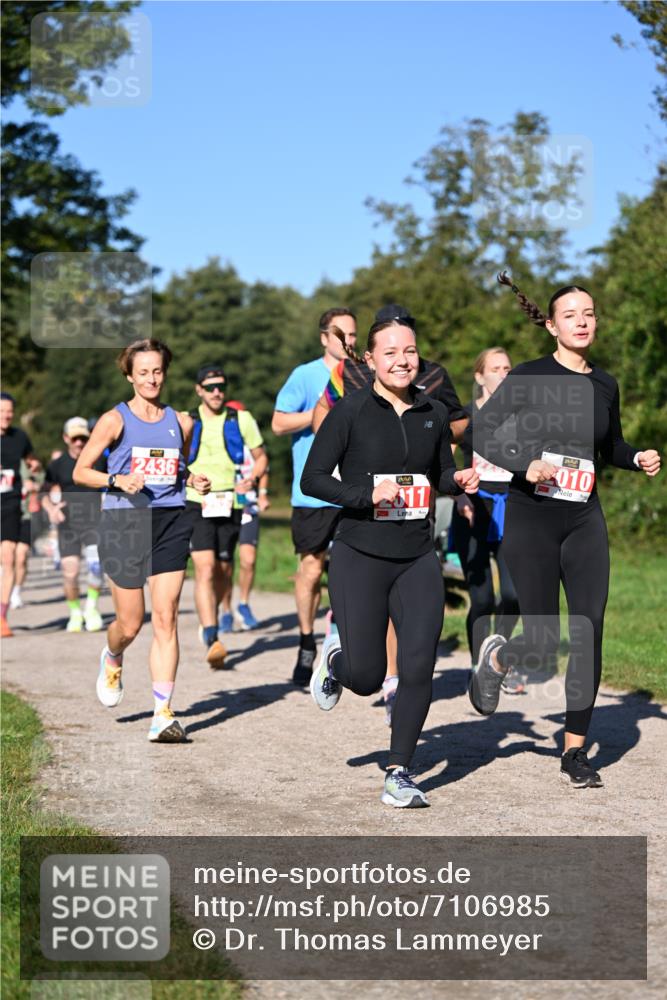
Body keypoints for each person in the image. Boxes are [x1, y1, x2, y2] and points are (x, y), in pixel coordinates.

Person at [469, 273, 661, 788]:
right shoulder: (529, 376)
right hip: (532, 517)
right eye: (571, 315)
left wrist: (634, 456)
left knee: (588, 629)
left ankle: (574, 752)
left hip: (583, 517)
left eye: (590, 313)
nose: (583, 321)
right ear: (552, 326)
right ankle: (501, 656)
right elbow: (484, 432)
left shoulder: (605, 383)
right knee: (543, 640)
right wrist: (523, 463)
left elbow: (609, 446)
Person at [301, 316, 479, 808]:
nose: (403, 360)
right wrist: (364, 494)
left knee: (420, 665)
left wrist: (457, 481)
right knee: (367, 677)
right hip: (360, 552)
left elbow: (439, 472)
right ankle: (336, 660)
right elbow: (313, 479)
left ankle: (399, 770)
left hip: (418, 556)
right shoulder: (351, 410)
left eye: (411, 351)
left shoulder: (432, 412)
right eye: (391, 352)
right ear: (372, 360)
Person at [73, 339, 211, 743]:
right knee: (130, 624)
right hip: (124, 522)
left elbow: (175, 466)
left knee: (166, 616)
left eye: (157, 370)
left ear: (164, 373)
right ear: (130, 375)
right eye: (143, 371)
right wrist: (116, 479)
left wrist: (192, 478)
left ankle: (162, 713)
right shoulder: (113, 420)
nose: (151, 378)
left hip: (170, 520)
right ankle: (113, 655)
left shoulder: (179, 420)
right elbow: (83, 471)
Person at [272, 308, 358, 686]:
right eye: (342, 335)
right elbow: (277, 423)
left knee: (350, 570)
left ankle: (341, 642)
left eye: (354, 335)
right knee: (311, 569)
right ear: (325, 337)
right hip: (314, 492)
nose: (349, 342)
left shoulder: (365, 374)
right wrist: (322, 413)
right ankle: (307, 640)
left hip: (354, 490)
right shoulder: (305, 376)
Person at [184, 367, 267, 665]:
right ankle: (212, 634)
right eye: (210, 387)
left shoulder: (241, 419)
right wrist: (190, 479)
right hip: (197, 501)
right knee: (204, 569)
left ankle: (215, 617)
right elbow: (177, 460)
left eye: (221, 386)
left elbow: (261, 458)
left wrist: (252, 480)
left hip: (230, 502)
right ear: (199, 390)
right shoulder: (187, 420)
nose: (217, 392)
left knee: (223, 570)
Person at [451, 348, 522, 691]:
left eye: (508, 368)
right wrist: (459, 493)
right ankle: (477, 666)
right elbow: (443, 462)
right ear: (480, 376)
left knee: (512, 595)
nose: (504, 374)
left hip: (514, 508)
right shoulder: (465, 417)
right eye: (496, 369)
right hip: (474, 509)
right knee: (481, 599)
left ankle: (499, 662)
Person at [42, 417, 106, 632]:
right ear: (66, 438)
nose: (79, 443)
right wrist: (51, 509)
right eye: (75, 439)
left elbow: (111, 486)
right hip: (68, 525)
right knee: (70, 572)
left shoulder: (98, 460)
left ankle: (92, 608)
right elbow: (44, 491)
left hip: (95, 522)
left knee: (97, 568)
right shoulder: (58, 465)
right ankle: (75, 612)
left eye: (83, 439)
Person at [221, 400, 271, 630]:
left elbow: (265, 470)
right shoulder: (217, 444)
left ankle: (244, 603)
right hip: (223, 508)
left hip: (249, 507)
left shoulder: (253, 448)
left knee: (248, 560)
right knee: (225, 564)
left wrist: (262, 494)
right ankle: (225, 610)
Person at [0, 392, 41, 637]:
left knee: (10, 557)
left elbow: (31, 459)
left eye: (9, 411)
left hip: (11, 503)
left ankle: (2, 616)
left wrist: (34, 465)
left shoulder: (19, 437)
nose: (7, 415)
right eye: (2, 411)